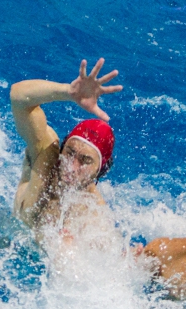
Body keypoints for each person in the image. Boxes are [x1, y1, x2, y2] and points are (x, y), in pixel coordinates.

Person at [10, 58, 123, 239]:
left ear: (100, 170)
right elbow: (18, 97)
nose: (71, 167)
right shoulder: (45, 153)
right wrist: (67, 92)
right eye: (70, 153)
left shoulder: (93, 217)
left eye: (85, 161)